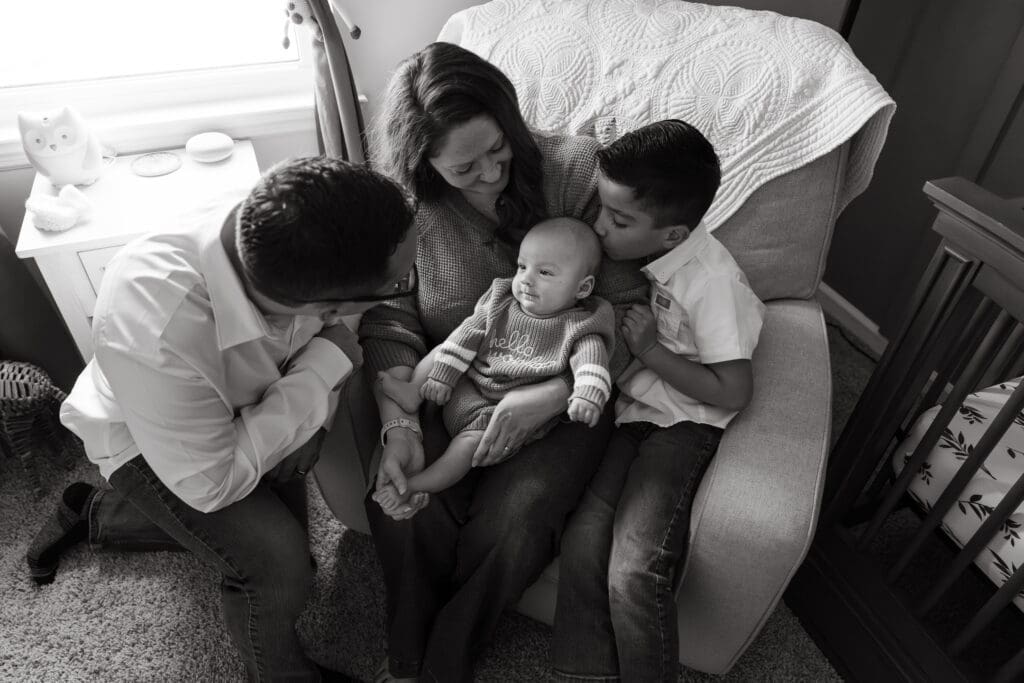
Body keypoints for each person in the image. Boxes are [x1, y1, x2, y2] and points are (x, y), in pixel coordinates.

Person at [26, 156, 417, 682]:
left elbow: (341, 329)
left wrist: (315, 416)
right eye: (397, 284)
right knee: (280, 568)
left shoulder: (293, 219)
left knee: (284, 535)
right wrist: (323, 371)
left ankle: (100, 513)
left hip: (254, 400)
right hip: (152, 441)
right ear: (318, 305)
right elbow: (211, 486)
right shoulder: (156, 329)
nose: (405, 286)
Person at [358, 42, 648, 682]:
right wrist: (398, 424)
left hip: (563, 391)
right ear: (424, 164)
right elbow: (389, 317)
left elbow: (627, 302)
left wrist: (555, 392)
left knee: (516, 520)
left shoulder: (574, 174)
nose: (490, 174)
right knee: (401, 496)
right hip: (455, 380)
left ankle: (445, 664)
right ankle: (406, 660)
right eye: (464, 168)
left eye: (498, 149)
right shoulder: (411, 209)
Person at [551, 119, 767, 682]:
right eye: (601, 208)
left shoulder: (712, 282)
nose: (598, 226)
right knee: (581, 542)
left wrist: (650, 352)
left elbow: (734, 391)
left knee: (636, 567)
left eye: (618, 220)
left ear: (672, 234)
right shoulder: (646, 256)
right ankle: (582, 672)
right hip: (635, 416)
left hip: (683, 426)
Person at [373, 217, 615, 512]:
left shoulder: (578, 326)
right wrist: (442, 377)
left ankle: (417, 484)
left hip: (496, 416)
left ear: (583, 288)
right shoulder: (502, 299)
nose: (526, 279)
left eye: (545, 272)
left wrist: (587, 394)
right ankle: (414, 390)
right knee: (444, 348)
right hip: (462, 385)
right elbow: (467, 333)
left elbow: (593, 362)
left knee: (465, 449)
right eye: (522, 267)